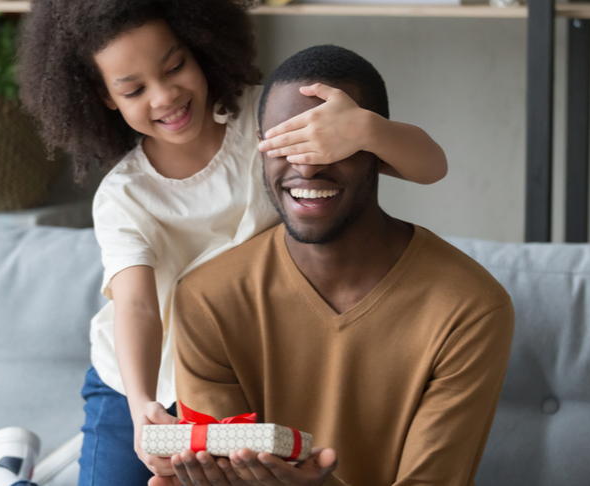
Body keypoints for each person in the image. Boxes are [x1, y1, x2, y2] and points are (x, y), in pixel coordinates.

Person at [13, 2, 446, 485]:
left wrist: (367, 128)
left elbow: (430, 168)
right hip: (139, 384)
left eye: (174, 66)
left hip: (236, 377)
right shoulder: (124, 195)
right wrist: (141, 409)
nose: (164, 97)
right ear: (105, 96)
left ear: (199, 47)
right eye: (133, 89)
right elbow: (136, 306)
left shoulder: (268, 119)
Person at [162, 45, 515, 486]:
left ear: (378, 152)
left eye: (331, 144)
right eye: (287, 143)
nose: (306, 168)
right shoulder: (206, 299)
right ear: (260, 149)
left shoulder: (469, 308)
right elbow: (227, 468)